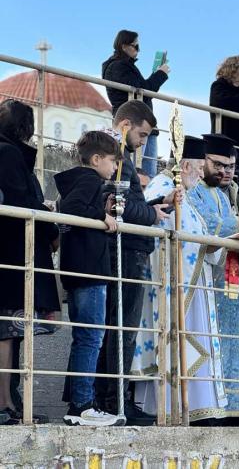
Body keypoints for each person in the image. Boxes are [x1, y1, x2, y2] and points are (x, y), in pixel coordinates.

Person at [130, 136, 229, 424]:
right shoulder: (164, 188)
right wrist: (211, 244)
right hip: (176, 285)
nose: (200, 175)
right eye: (198, 168)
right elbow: (178, 237)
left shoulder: (178, 190)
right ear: (185, 166)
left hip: (190, 280)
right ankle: (175, 407)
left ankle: (195, 406)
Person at [94, 100, 173, 426]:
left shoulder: (118, 156)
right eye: (142, 135)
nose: (143, 142)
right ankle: (116, 402)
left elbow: (126, 204)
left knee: (118, 328)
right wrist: (153, 212)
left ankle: (111, 399)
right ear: (125, 125)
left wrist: (156, 203)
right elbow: (121, 208)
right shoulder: (117, 158)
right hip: (126, 252)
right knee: (122, 329)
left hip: (125, 251)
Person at [55, 131, 123, 426]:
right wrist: (103, 217)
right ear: (96, 159)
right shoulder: (89, 180)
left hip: (77, 270)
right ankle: (82, 405)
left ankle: (78, 405)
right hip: (90, 271)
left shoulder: (74, 182)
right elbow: (74, 209)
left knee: (84, 338)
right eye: (112, 161)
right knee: (91, 338)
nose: (114, 168)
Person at [0, 99, 59, 425]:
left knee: (11, 332)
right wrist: (50, 222)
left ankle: (11, 403)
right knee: (8, 332)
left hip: (11, 253)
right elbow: (21, 201)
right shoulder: (8, 154)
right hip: (12, 254)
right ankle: (5, 404)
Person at [188, 134, 239, 425]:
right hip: (204, 279)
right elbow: (206, 225)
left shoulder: (223, 195)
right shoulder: (194, 189)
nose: (225, 171)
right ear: (202, 161)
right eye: (218, 165)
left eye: (230, 166)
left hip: (229, 275)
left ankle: (234, 408)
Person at [102, 30, 170, 177]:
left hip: (143, 123)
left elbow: (142, 89)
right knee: (136, 172)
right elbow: (143, 90)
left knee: (147, 174)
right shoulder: (117, 66)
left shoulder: (123, 66)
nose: (138, 50)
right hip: (134, 124)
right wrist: (160, 74)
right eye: (136, 46)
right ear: (124, 46)